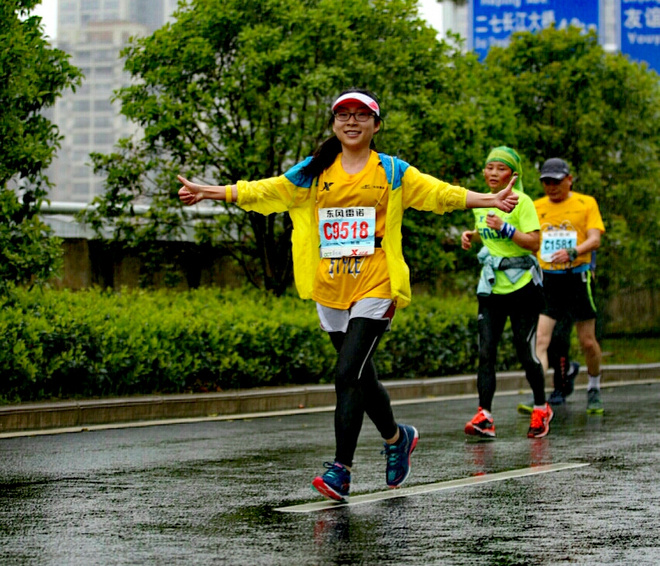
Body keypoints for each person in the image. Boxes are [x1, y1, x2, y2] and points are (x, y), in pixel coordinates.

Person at [178, 89, 519, 501]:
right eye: (344, 115)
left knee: (346, 374)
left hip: (376, 280)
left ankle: (342, 469)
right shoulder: (315, 169)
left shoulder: (392, 171)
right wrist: (212, 192)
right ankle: (397, 437)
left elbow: (439, 193)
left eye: (362, 115)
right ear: (334, 124)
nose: (352, 122)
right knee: (361, 375)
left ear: (376, 125)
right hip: (331, 285)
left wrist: (487, 200)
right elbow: (267, 191)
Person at [461, 146, 553, 440]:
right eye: (490, 167)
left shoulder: (522, 202)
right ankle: (484, 416)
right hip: (490, 288)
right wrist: (472, 236)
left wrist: (505, 228)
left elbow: (534, 243)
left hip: (522, 287)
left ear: (513, 175)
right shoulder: (481, 202)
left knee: (525, 353)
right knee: (486, 352)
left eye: (501, 169)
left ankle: (541, 407)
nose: (493, 174)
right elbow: (485, 230)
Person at [533, 158, 606, 415]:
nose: (551, 187)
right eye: (546, 182)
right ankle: (539, 401)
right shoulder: (535, 206)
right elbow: (529, 239)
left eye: (556, 181)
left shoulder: (587, 203)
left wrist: (573, 252)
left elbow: (595, 239)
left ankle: (594, 387)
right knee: (541, 340)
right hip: (549, 279)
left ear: (569, 179)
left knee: (587, 341)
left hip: (578, 276)